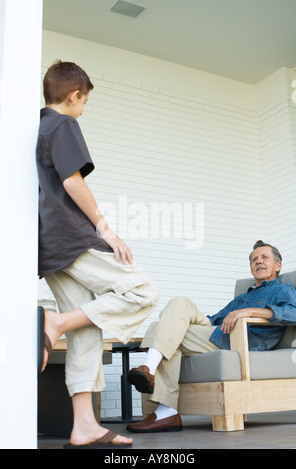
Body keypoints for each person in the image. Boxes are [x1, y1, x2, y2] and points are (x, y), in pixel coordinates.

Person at [36, 60, 159, 448]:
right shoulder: (64, 124)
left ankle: (84, 424)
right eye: (84, 101)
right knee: (143, 291)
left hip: (47, 248)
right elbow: (72, 180)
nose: (83, 109)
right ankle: (53, 323)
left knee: (85, 330)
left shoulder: (34, 129)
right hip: (71, 239)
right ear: (74, 96)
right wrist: (104, 226)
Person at [127, 240, 296, 433]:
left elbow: (294, 315)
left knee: (162, 329)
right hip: (218, 332)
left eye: (264, 257)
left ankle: (164, 404)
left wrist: (250, 312)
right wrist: (182, 320)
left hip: (240, 340)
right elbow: (214, 319)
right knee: (179, 305)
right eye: (254, 259)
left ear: (278, 265)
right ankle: (151, 378)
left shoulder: (282, 289)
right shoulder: (242, 298)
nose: (258, 261)